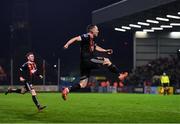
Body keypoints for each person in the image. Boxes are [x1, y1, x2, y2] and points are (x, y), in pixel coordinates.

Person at [62, 24, 128, 100]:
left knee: (82, 84)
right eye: (96, 29)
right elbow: (76, 38)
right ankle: (119, 75)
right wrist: (67, 44)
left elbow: (96, 47)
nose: (98, 31)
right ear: (92, 31)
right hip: (89, 60)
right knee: (107, 61)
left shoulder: (92, 40)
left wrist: (105, 50)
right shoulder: (87, 36)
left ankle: (67, 90)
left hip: (84, 64)